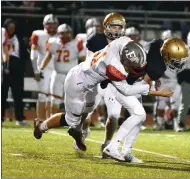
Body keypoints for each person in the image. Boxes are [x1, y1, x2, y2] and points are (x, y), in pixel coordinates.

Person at [33, 36, 173, 152]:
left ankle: (77, 131)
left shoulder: (123, 41)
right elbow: (126, 90)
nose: (134, 69)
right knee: (71, 120)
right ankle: (41, 127)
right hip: (77, 85)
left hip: (84, 75)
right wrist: (157, 92)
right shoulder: (114, 68)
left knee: (83, 114)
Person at [102, 37, 189, 162]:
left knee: (139, 118)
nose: (179, 64)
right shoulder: (157, 68)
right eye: (176, 61)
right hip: (122, 85)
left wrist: (154, 78)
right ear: (167, 55)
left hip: (122, 77)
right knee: (139, 114)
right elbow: (140, 88)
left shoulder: (158, 43)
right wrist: (160, 93)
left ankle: (126, 152)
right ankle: (113, 147)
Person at [40, 24, 86, 115]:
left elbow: (83, 59)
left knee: (73, 100)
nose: (64, 35)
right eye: (62, 33)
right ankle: (53, 121)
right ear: (58, 34)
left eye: (66, 33)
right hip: (57, 74)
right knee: (55, 99)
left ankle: (73, 122)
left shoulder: (76, 43)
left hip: (72, 75)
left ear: (70, 33)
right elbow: (48, 56)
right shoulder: (53, 42)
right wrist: (41, 68)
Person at [76, 17, 105, 128]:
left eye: (97, 26)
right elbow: (81, 55)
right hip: (88, 70)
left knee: (101, 96)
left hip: (100, 71)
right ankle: (85, 119)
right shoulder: (80, 37)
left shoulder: (104, 38)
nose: (94, 28)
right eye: (91, 26)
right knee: (87, 97)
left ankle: (101, 118)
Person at [30, 14, 59, 122]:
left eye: (53, 24)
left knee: (54, 95)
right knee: (43, 95)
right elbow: (33, 54)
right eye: (49, 24)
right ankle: (40, 120)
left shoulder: (61, 35)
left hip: (57, 69)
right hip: (43, 68)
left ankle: (50, 121)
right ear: (44, 24)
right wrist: (36, 70)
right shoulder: (38, 34)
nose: (51, 26)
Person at [1, 19, 29, 126]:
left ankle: (20, 118)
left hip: (16, 68)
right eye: (9, 27)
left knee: (18, 94)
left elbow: (23, 55)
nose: (11, 29)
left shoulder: (18, 39)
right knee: (2, 94)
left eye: (13, 27)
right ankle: (1, 117)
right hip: (4, 67)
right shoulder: (1, 37)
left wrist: (22, 68)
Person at [153, 30, 181, 131]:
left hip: (174, 81)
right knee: (161, 104)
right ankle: (159, 123)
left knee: (175, 104)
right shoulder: (156, 52)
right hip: (162, 81)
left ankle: (175, 124)